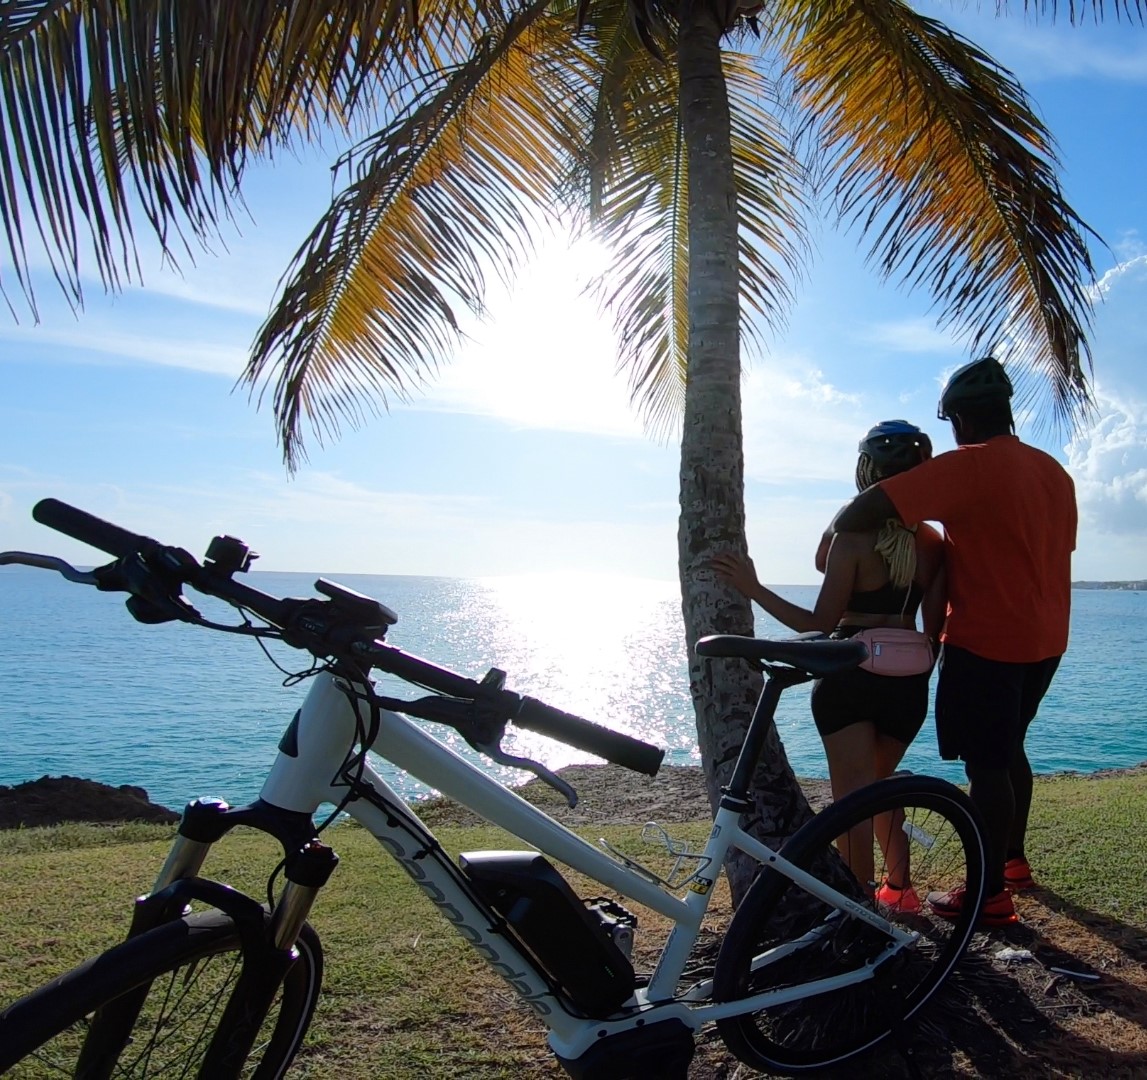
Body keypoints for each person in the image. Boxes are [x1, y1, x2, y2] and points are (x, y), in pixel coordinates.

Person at [830, 356, 1077, 928]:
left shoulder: (968, 466)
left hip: (988, 640)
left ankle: (988, 894)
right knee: (1010, 747)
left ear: (960, 421)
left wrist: (886, 504)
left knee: (986, 764)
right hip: (1048, 637)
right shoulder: (1052, 472)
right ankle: (1011, 862)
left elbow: (859, 514)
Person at [714, 420, 945, 912]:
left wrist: (754, 589)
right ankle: (900, 891)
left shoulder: (850, 538)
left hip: (849, 675)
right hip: (909, 682)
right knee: (880, 786)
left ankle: (859, 908)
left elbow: (818, 622)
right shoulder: (933, 544)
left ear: (866, 471)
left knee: (851, 805)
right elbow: (936, 628)